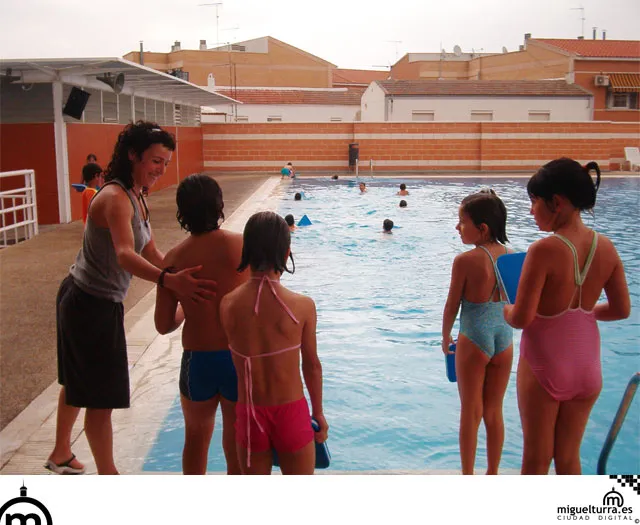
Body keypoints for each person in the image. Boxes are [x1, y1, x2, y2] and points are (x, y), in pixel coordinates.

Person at [45, 121, 216, 475]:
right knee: (100, 399)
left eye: (166, 163)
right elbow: (125, 254)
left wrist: (182, 270)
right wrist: (169, 280)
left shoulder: (135, 194)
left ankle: (61, 451)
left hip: (90, 299)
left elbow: (148, 247)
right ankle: (110, 475)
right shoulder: (114, 198)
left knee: (78, 380)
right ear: (133, 155)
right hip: (89, 303)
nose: (160, 170)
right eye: (155, 161)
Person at [503, 158, 630, 475]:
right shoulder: (607, 247)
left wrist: (502, 307)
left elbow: (522, 317)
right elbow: (620, 310)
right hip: (587, 369)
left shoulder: (544, 250)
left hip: (545, 365)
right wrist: (581, 315)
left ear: (556, 202)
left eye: (534, 202)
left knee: (536, 458)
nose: (531, 210)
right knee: (568, 457)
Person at [220, 211, 328, 474]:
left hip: (249, 415)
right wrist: (319, 413)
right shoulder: (302, 306)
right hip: (291, 414)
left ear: (246, 251)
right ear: (287, 251)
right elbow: (311, 366)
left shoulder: (228, 304)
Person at [155, 174, 248, 475]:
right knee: (236, 440)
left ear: (181, 212)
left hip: (197, 360)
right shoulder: (241, 247)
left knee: (195, 438)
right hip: (237, 357)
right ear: (219, 205)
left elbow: (162, 324)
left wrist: (185, 305)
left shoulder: (173, 259)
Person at [441, 189, 513, 475]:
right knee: (494, 411)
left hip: (474, 337)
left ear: (482, 229)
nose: (457, 227)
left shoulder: (466, 261)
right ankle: (493, 473)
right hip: (504, 339)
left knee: (471, 412)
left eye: (462, 222)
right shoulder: (514, 254)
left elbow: (452, 305)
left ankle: (468, 476)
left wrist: (445, 336)